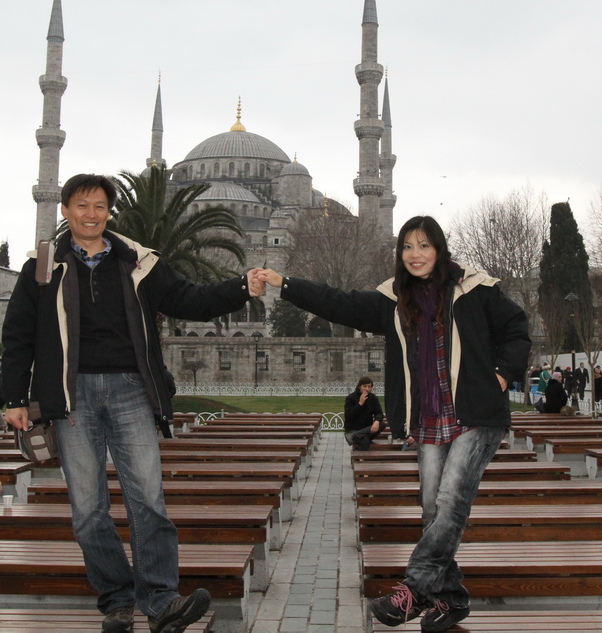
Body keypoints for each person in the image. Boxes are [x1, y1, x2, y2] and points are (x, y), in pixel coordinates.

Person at [1, 174, 269, 633]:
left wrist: (242, 287)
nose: (90, 214)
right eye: (81, 205)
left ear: (109, 213)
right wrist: (13, 398)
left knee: (148, 500)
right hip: (71, 396)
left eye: (99, 206)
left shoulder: (138, 262)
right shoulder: (42, 268)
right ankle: (117, 600)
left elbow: (190, 300)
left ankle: (161, 601)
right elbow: (18, 335)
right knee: (88, 511)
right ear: (64, 210)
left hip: (130, 389)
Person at [262, 215, 530, 631]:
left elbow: (516, 328)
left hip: (476, 414)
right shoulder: (393, 300)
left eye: (424, 246)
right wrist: (285, 284)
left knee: (451, 500)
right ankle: (451, 598)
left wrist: (501, 374)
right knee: (432, 507)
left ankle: (415, 590)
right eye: (407, 247)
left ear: (439, 249)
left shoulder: (475, 289)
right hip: (429, 418)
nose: (415, 254)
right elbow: (338, 302)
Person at [344, 375, 387, 449]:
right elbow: (348, 416)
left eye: (369, 387)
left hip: (367, 430)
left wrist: (377, 421)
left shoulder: (373, 398)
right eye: (365, 386)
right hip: (352, 431)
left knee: (382, 424)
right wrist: (360, 404)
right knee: (364, 441)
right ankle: (358, 437)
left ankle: (359, 438)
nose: (367, 389)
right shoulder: (351, 398)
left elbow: (379, 413)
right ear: (359, 386)